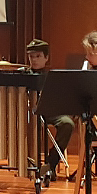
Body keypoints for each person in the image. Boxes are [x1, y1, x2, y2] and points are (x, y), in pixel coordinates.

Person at [25, 39, 74, 180]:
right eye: (31, 56)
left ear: (46, 58)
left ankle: (50, 164)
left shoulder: (53, 77)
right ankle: (26, 162)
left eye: (38, 56)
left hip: (50, 113)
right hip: (26, 114)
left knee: (67, 124)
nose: (34, 60)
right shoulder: (22, 75)